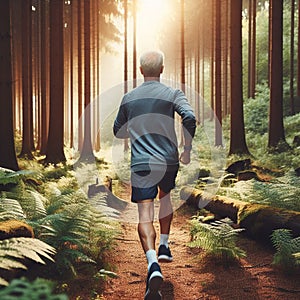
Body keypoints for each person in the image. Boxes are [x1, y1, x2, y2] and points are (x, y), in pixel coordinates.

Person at [113, 50, 196, 300]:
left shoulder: (129, 98)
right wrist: (187, 149)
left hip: (141, 163)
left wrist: (138, 129)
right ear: (161, 69)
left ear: (140, 71)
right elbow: (190, 117)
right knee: (166, 197)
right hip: (169, 160)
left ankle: (152, 264)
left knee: (144, 213)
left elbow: (118, 131)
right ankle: (165, 246)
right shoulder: (173, 94)